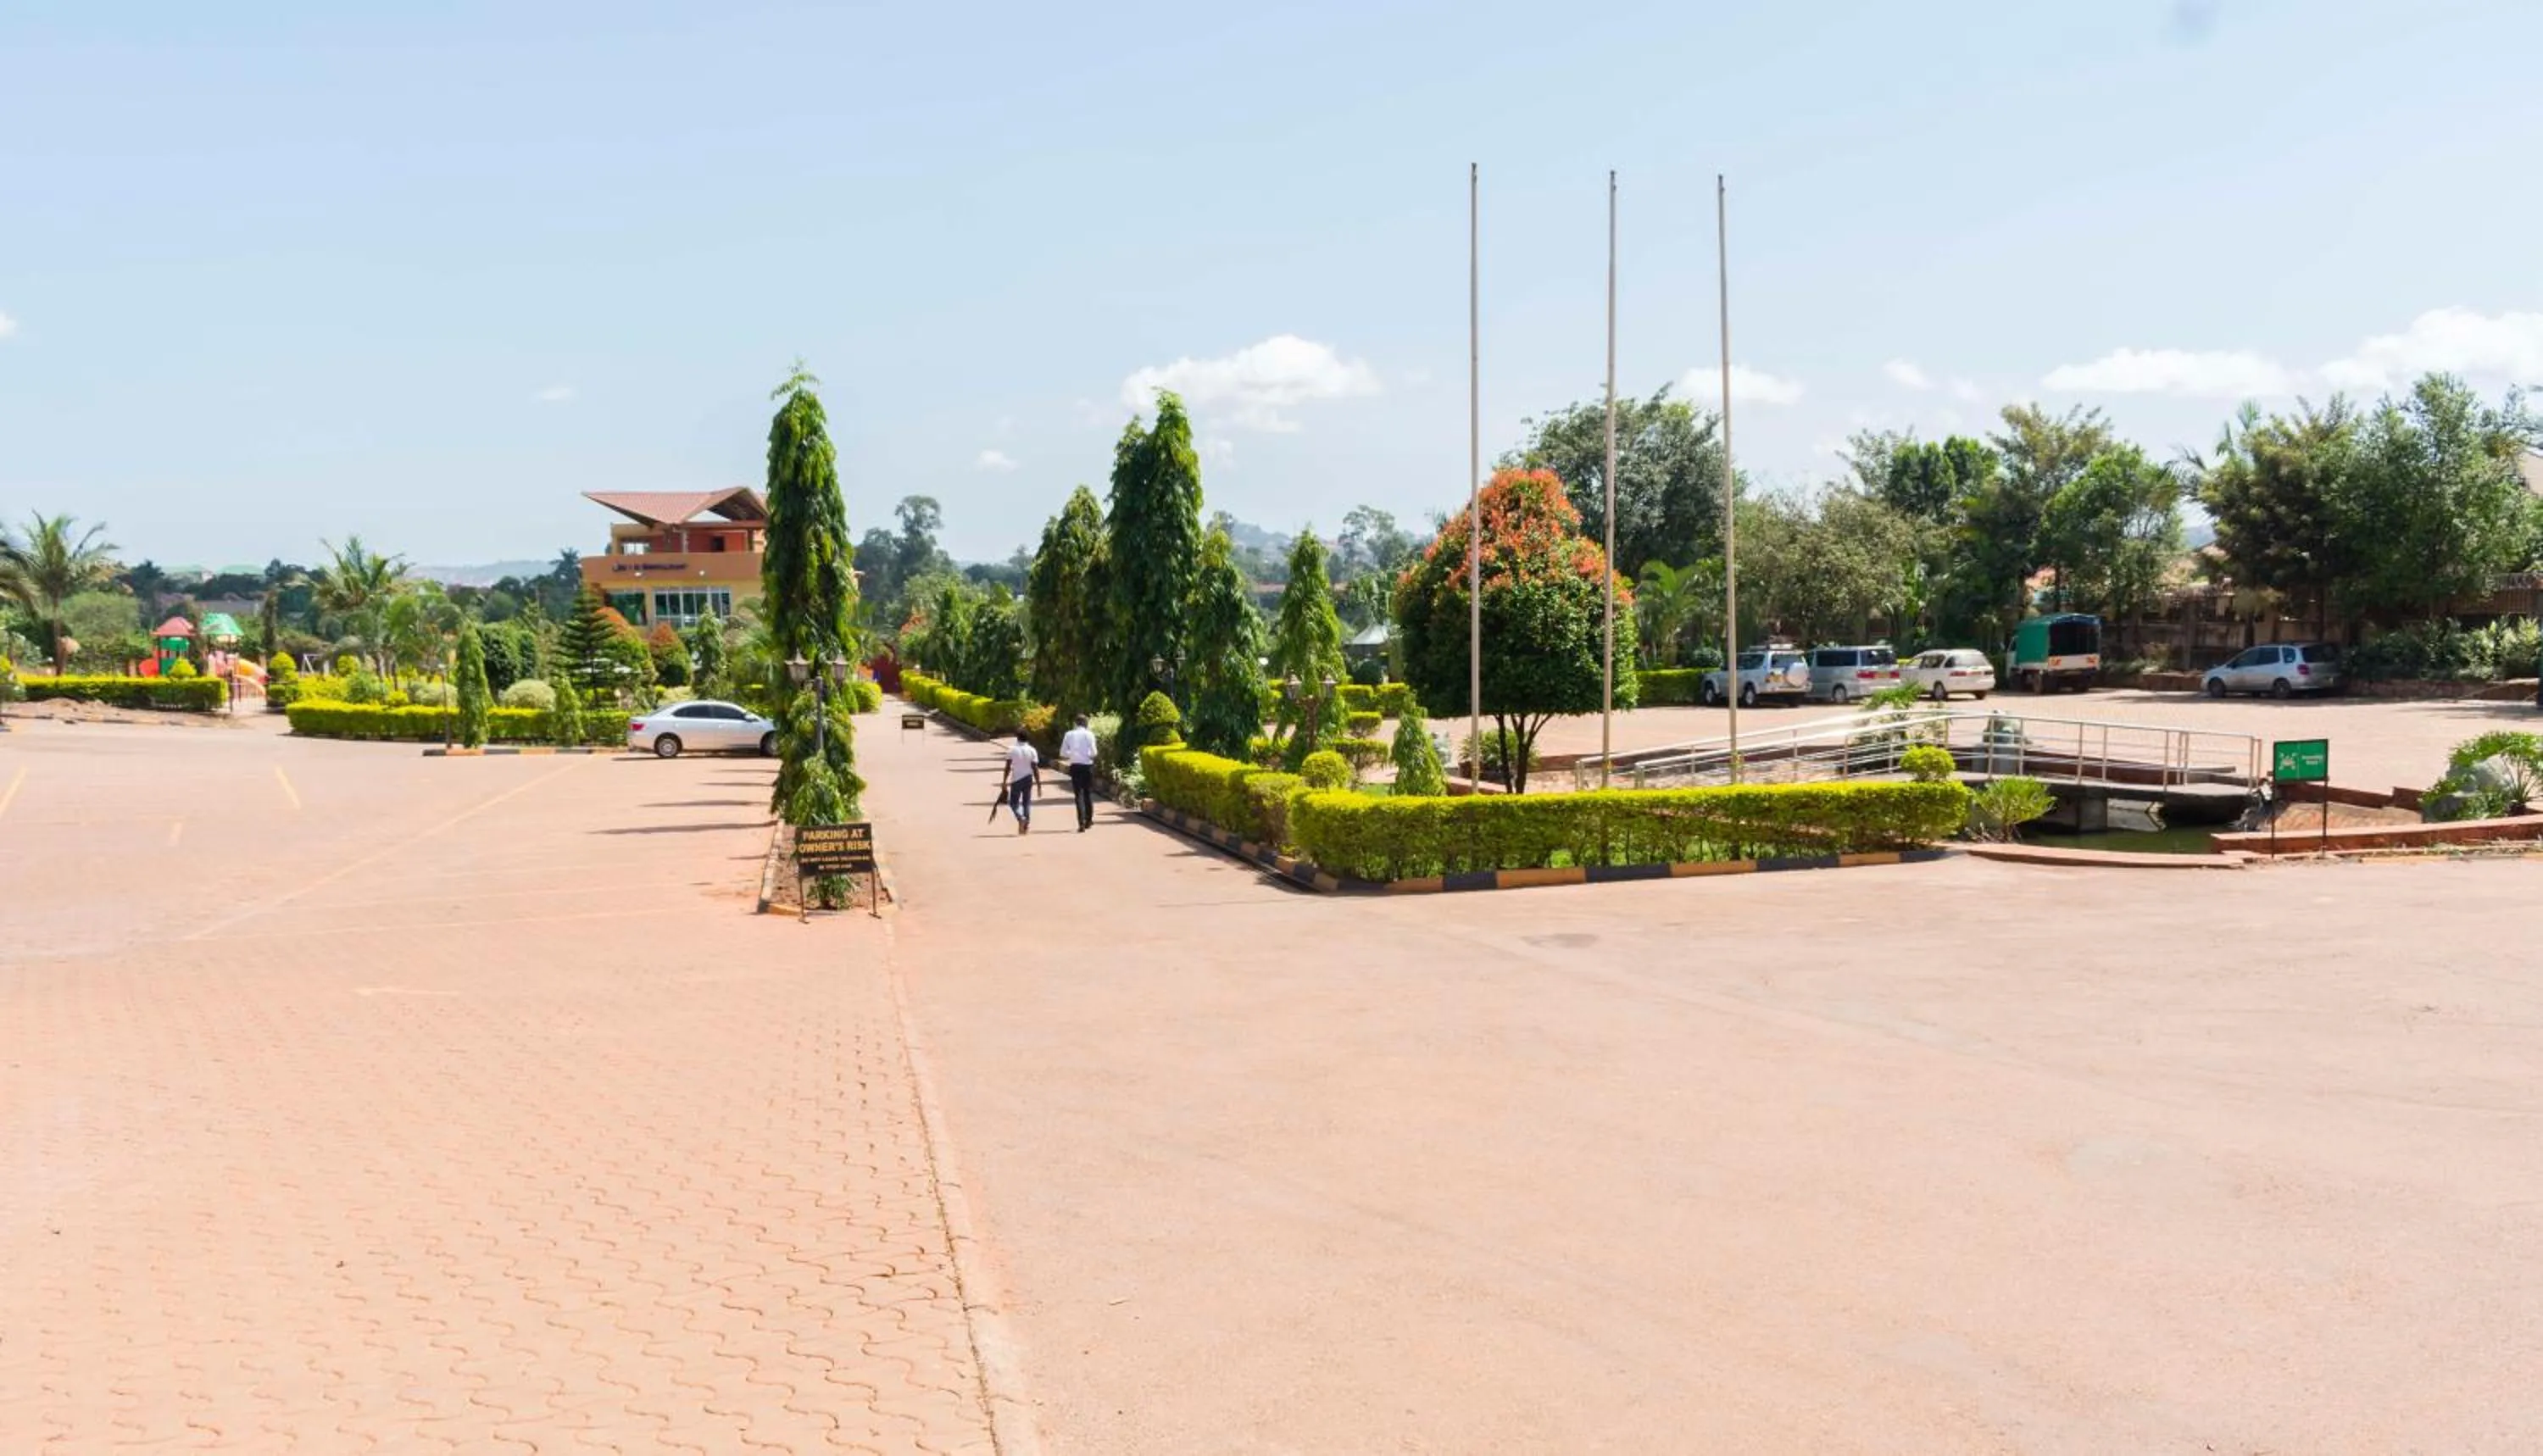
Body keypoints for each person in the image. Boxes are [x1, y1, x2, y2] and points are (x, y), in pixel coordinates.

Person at [1059, 714, 1100, 831]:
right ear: (1086, 723)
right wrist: (1086, 755)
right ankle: (1089, 820)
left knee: (1078, 795)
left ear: (1075, 723)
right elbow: (1094, 753)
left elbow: (1063, 752)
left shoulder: (1069, 734)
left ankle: (1081, 822)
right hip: (1087, 766)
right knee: (1088, 793)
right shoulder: (1089, 734)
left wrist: (1073, 754)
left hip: (1075, 766)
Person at [1004, 729, 1041, 835]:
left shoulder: (1012, 749)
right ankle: (1026, 826)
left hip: (1016, 779)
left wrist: (1004, 781)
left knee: (1013, 803)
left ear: (1017, 737)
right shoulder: (1032, 750)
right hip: (1028, 778)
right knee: (1026, 803)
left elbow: (1007, 767)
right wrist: (1038, 784)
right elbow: (1035, 768)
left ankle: (1021, 818)